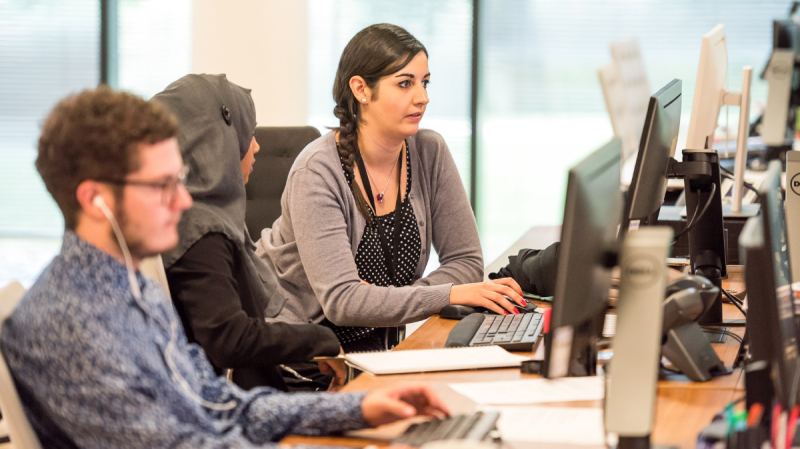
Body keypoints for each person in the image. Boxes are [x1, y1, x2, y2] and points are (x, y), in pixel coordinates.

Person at [0, 86, 449, 448]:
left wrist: (358, 409)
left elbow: (218, 403)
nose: (182, 201)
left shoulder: (130, 290)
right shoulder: (71, 323)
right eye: (161, 185)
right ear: (94, 200)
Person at [257, 23, 526, 351]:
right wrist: (446, 294)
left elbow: (467, 261)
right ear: (361, 90)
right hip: (304, 355)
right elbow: (343, 302)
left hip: (379, 349)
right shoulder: (317, 172)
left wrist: (385, 300)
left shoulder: (429, 151)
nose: (422, 97)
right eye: (405, 84)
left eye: (425, 83)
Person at [153, 74, 344, 392]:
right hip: (237, 407)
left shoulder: (198, 218)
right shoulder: (201, 232)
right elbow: (229, 339)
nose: (256, 146)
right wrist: (319, 340)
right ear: (216, 140)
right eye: (248, 134)